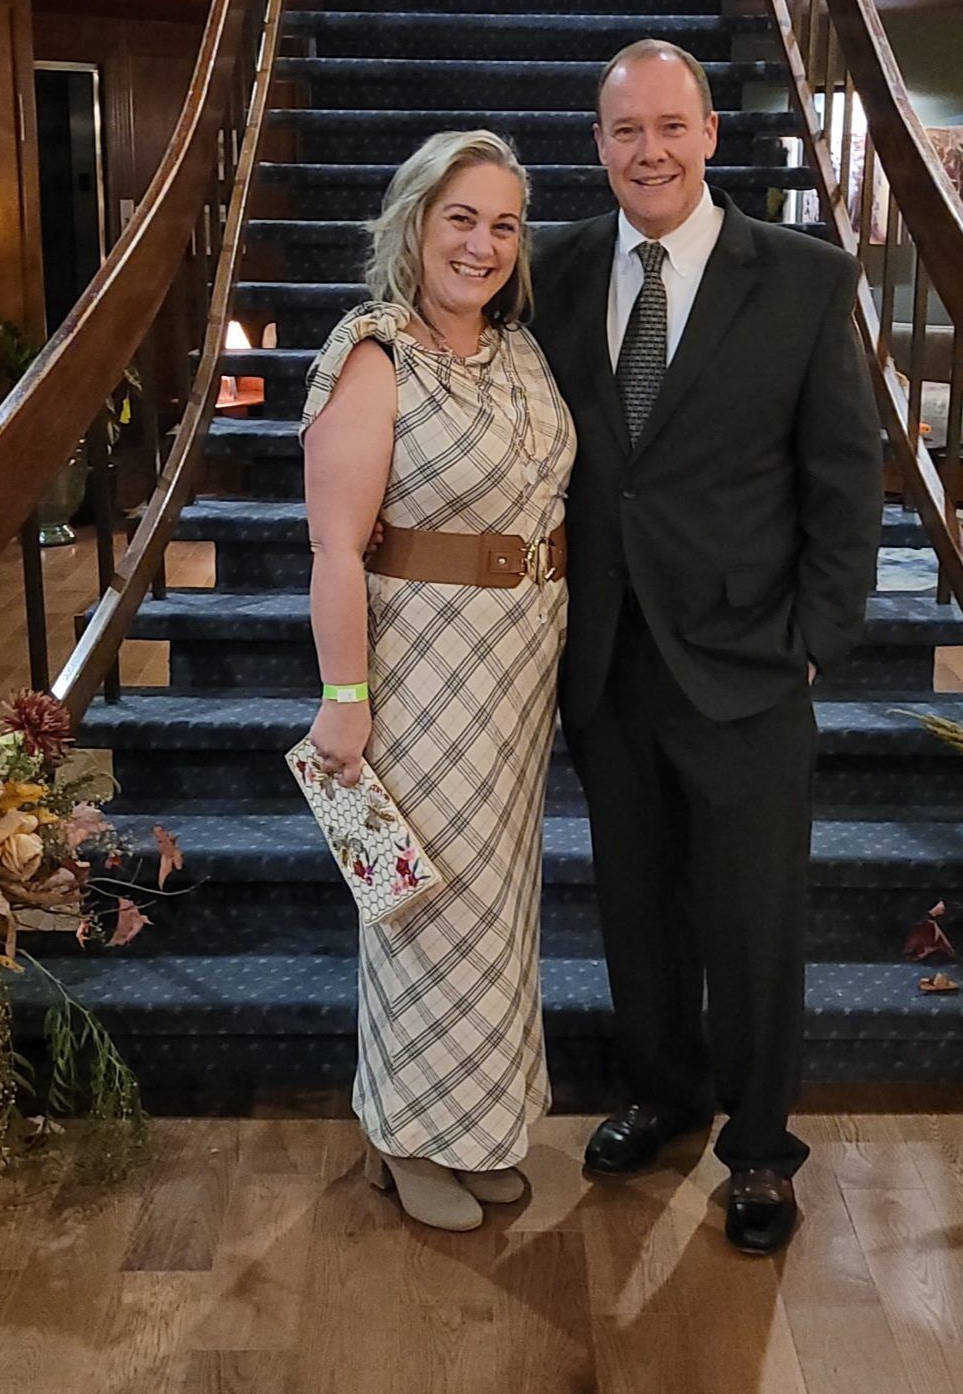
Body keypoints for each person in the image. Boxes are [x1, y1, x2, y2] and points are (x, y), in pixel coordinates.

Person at [530, 40, 882, 1255]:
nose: (650, 152)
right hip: (606, 656)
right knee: (635, 905)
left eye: (670, 127)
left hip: (747, 657)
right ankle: (665, 1096)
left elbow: (845, 479)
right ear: (598, 146)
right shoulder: (554, 268)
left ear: (711, 136)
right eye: (625, 131)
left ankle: (759, 1149)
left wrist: (816, 640)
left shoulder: (801, 279)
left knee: (751, 917)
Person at [300, 131, 576, 1233]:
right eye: (461, 217)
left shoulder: (516, 350)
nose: (482, 244)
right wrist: (345, 699)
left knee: (497, 909)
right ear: (413, 221)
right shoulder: (373, 354)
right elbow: (334, 548)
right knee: (422, 908)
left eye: (504, 223)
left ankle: (476, 1128)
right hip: (419, 665)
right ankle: (406, 1135)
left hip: (519, 667)